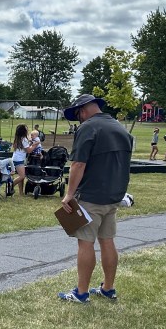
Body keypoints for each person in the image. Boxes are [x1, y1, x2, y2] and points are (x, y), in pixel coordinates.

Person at [58, 94, 134, 304]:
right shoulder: (119, 128)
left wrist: (69, 195)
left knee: (85, 243)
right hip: (113, 195)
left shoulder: (88, 128)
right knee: (107, 240)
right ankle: (108, 288)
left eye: (78, 115)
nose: (79, 119)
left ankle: (81, 293)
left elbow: (78, 164)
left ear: (82, 111)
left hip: (91, 196)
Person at [12, 124, 31, 195]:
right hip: (19, 159)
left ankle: (21, 192)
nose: (28, 130)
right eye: (26, 129)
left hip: (16, 158)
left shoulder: (18, 138)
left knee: (21, 176)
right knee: (22, 176)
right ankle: (10, 186)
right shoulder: (24, 139)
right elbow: (28, 150)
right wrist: (35, 145)